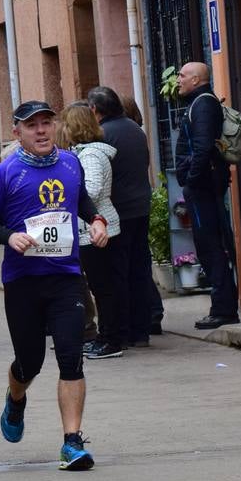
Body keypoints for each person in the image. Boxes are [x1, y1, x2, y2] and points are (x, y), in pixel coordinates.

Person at [0, 101, 109, 471]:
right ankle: (15, 398)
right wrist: (10, 237)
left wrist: (96, 220)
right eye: (32, 126)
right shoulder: (6, 172)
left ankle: (72, 442)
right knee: (30, 361)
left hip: (66, 277)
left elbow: (82, 201)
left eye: (47, 123)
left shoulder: (70, 162)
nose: (42, 131)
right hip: (23, 281)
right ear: (17, 132)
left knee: (71, 356)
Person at [56, 104, 125, 360]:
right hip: (89, 229)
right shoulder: (82, 153)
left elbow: (92, 191)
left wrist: (65, 194)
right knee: (100, 285)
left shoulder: (91, 155)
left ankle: (111, 339)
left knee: (103, 287)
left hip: (98, 229)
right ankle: (106, 336)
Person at [86, 86, 153, 350]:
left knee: (117, 274)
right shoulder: (134, 129)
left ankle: (121, 331)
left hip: (118, 213)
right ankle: (141, 330)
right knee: (139, 269)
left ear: (94, 110)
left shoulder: (104, 135)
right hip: (140, 207)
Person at [175, 62, 239, 329]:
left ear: (196, 79)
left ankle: (223, 309)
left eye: (182, 75)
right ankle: (222, 306)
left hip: (204, 187)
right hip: (203, 185)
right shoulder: (200, 103)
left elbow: (202, 147)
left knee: (211, 246)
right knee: (209, 246)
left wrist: (191, 180)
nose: (178, 79)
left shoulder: (203, 105)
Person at [122, 94, 165, 335]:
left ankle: (149, 313)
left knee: (134, 265)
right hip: (141, 202)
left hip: (128, 208)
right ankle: (153, 311)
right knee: (141, 261)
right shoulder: (138, 133)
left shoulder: (120, 135)